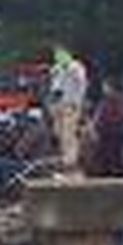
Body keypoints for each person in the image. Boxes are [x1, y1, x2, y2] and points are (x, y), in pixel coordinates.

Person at [48, 46, 89, 174]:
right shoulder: (56, 68)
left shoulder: (76, 67)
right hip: (58, 104)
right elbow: (55, 87)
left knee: (69, 133)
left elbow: (82, 85)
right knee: (59, 133)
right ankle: (64, 158)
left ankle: (70, 161)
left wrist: (78, 103)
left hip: (71, 104)